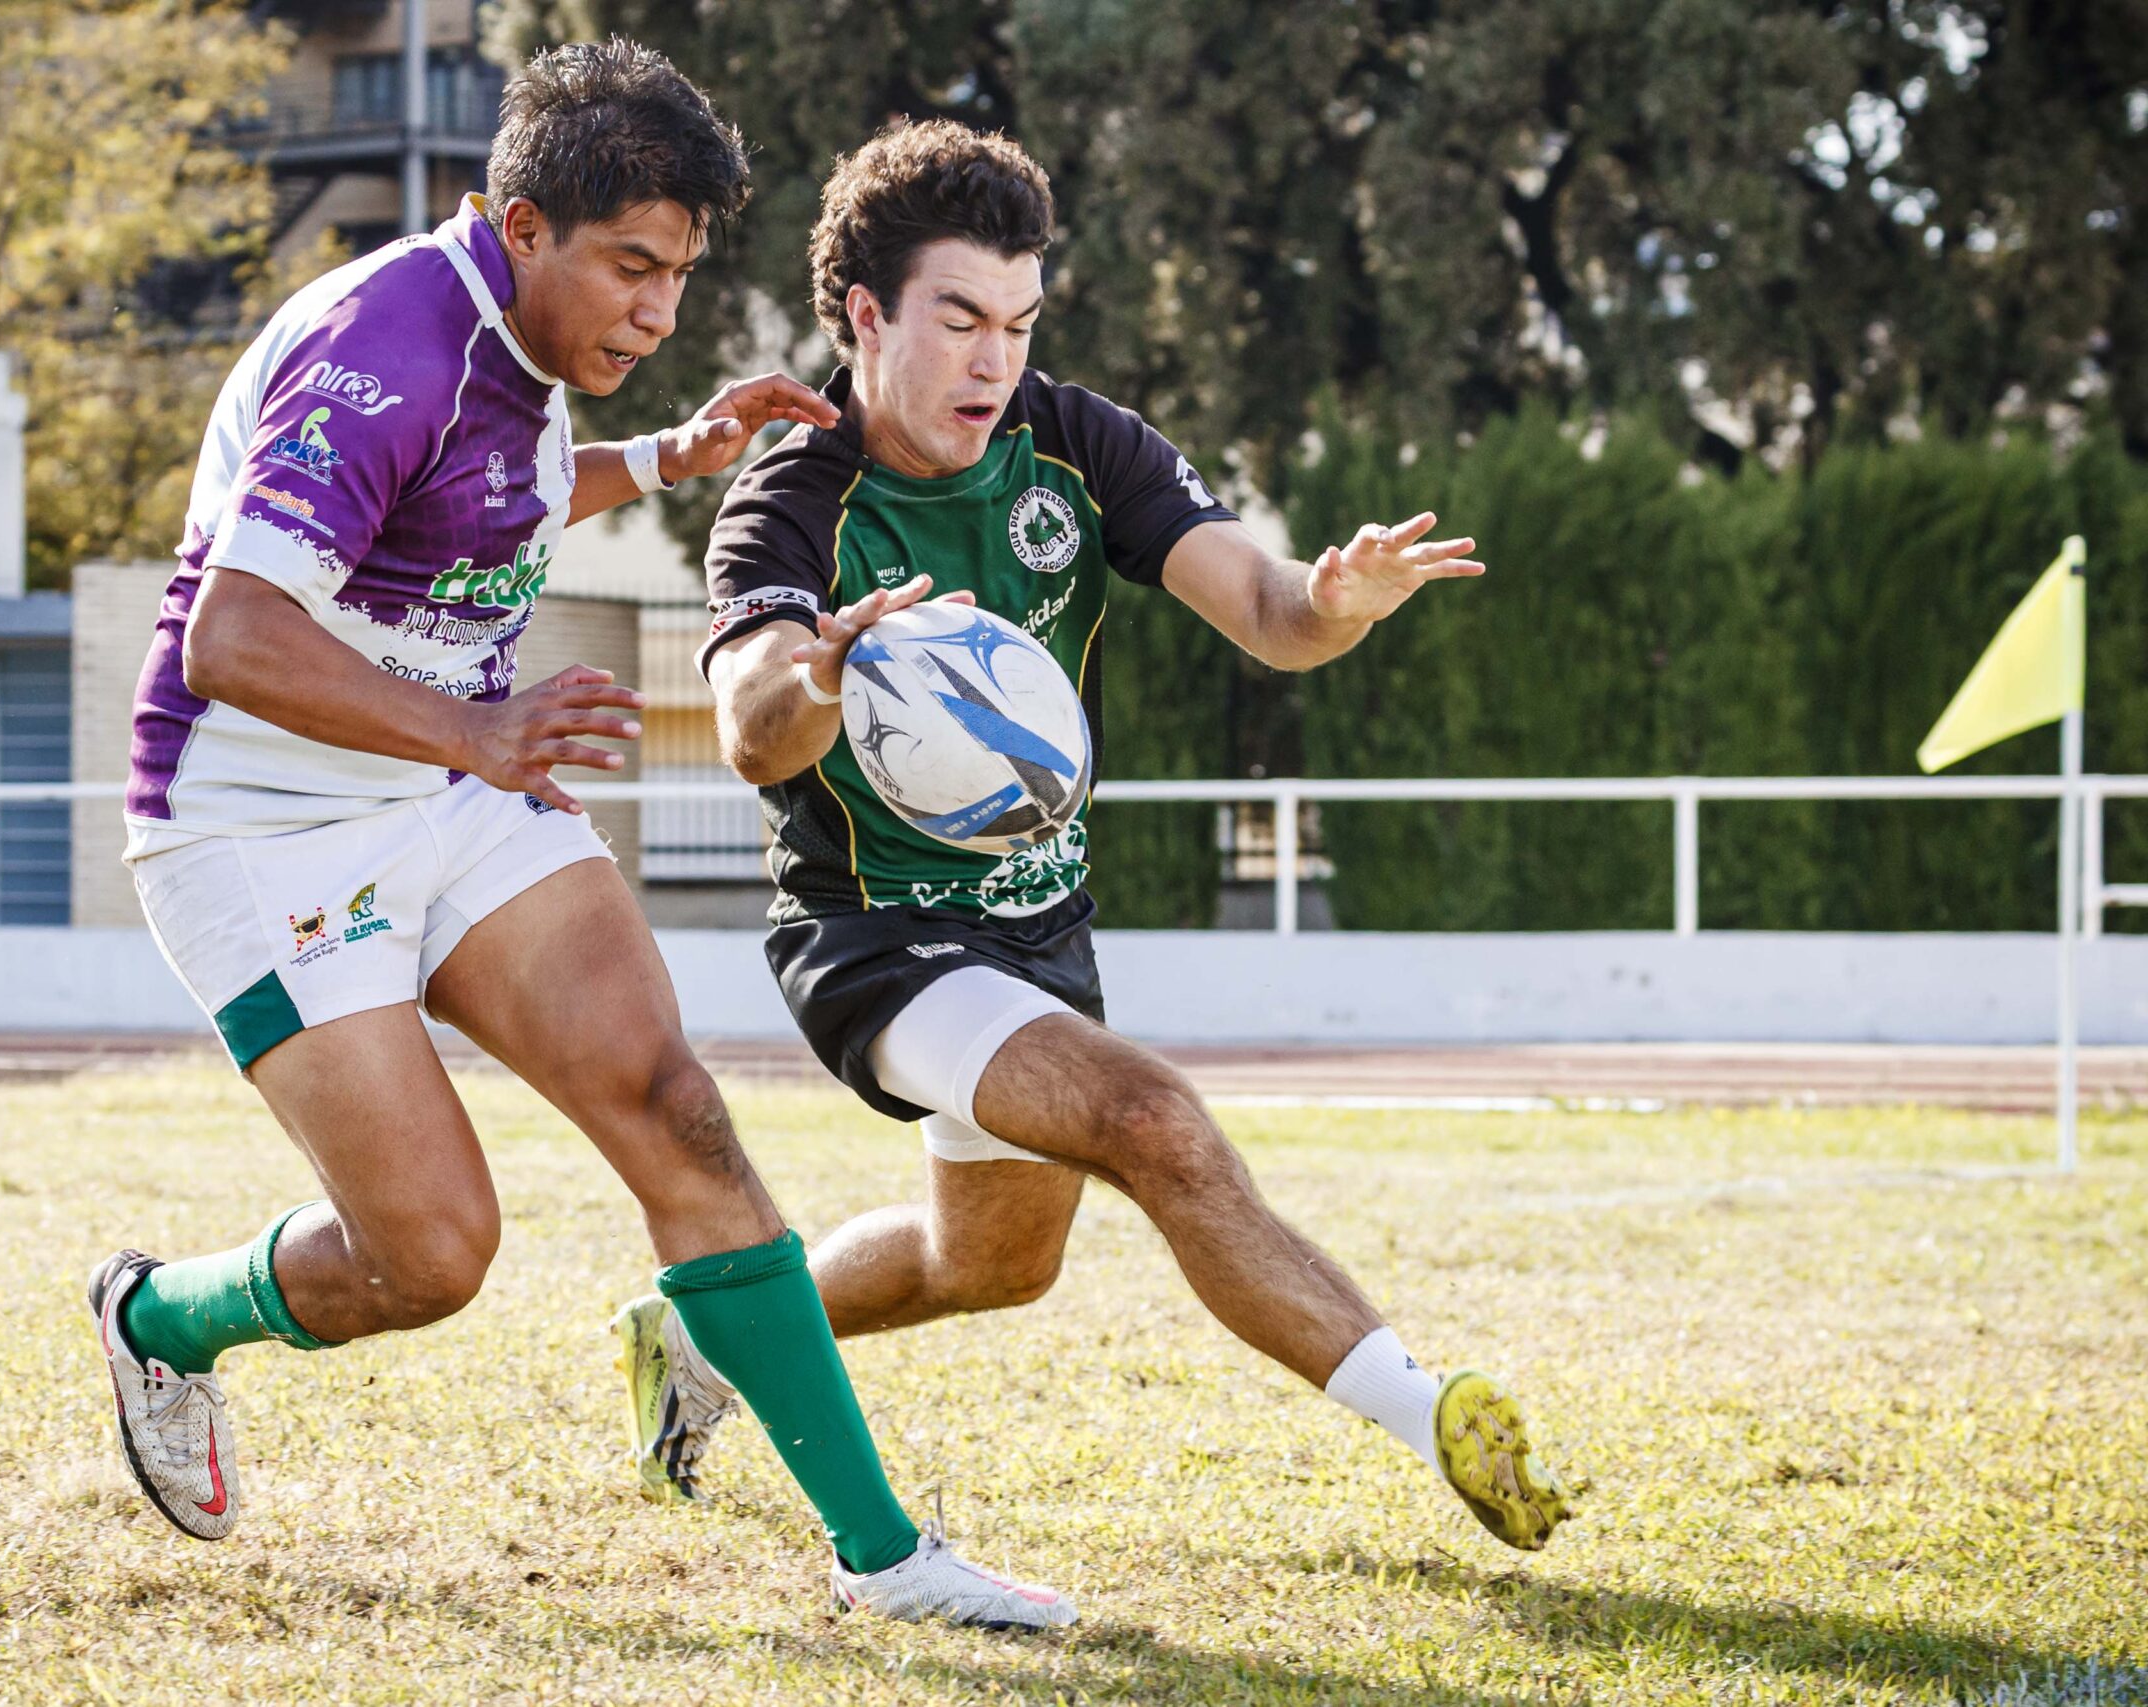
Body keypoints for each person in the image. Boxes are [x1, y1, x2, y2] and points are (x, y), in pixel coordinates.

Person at [88, 48, 1074, 1629]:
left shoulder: (522, 350)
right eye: (631, 267)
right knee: (430, 1256)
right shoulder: (384, 345)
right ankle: (162, 1316)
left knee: (678, 1112)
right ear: (523, 223)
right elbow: (236, 638)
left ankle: (884, 1557)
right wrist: (479, 730)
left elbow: (484, 487)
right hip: (256, 830)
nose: (655, 312)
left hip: (449, 786)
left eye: (678, 275)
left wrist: (664, 459)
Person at [611, 119, 1573, 1553]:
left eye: (1019, 322)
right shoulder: (794, 499)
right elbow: (754, 727)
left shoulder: (1075, 442)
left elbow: (1269, 611)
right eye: (959, 320)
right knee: (1151, 1121)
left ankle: (702, 1338)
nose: (994, 360)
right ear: (867, 315)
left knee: (987, 1265)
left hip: (1037, 933)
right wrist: (825, 666)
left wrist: (1338, 599)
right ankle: (1427, 1410)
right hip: (878, 940)